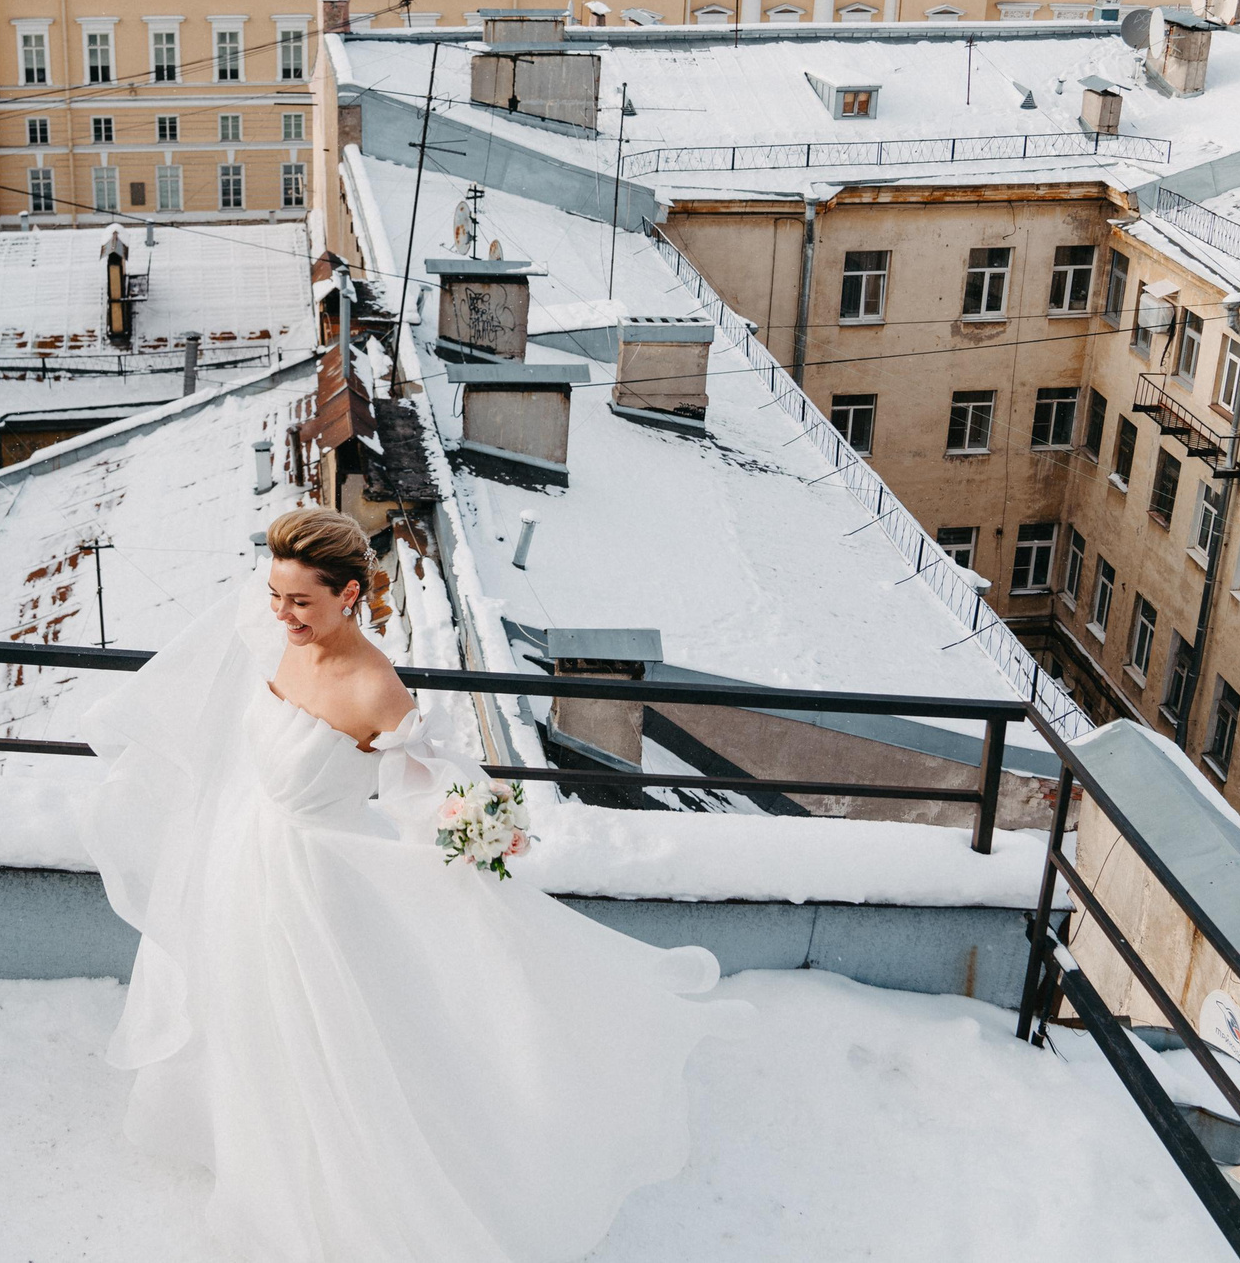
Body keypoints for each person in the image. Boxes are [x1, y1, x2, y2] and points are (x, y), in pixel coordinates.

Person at [79, 506, 750, 1263]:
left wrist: (477, 826)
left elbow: (418, 793)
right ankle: (262, 1159)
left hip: (312, 886)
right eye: (276, 594)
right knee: (250, 1017)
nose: (282, 613)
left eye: (301, 600)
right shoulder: (269, 636)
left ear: (350, 595)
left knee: (327, 1039)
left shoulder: (377, 692)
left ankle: (339, 1194)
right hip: (245, 856)